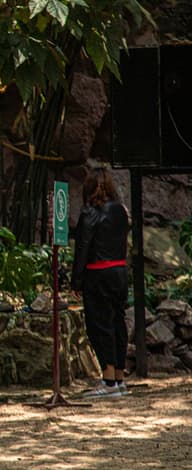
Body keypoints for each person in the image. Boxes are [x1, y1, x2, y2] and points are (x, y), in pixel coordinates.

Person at [71, 168, 130, 398]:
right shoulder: (121, 212)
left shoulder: (89, 214)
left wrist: (76, 282)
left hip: (98, 275)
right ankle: (118, 377)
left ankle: (108, 380)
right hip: (119, 272)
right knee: (118, 322)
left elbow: (83, 249)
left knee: (100, 325)